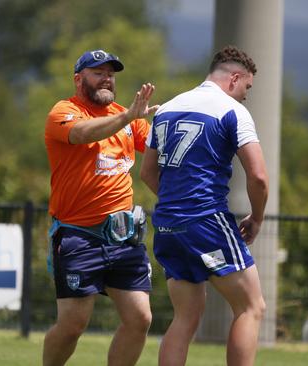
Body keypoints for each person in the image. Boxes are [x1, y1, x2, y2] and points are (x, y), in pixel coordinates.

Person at [140, 45, 269, 365]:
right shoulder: (232, 111)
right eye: (247, 88)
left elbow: (146, 172)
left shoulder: (167, 108)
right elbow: (259, 177)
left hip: (168, 226)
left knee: (185, 317)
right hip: (207, 222)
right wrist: (257, 218)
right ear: (234, 78)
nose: (245, 96)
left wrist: (176, 206)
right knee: (251, 307)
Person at [42, 49, 158, 366]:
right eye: (98, 72)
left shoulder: (127, 116)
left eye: (111, 73)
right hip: (78, 235)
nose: (107, 78)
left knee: (140, 318)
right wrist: (127, 117)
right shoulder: (64, 111)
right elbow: (82, 134)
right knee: (72, 326)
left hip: (123, 237)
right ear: (79, 79)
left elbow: (156, 149)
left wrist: (177, 121)